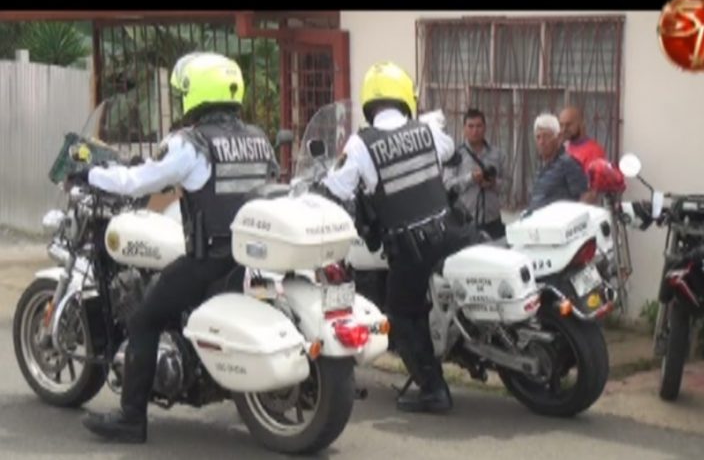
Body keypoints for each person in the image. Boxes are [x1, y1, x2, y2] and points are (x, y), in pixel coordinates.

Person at [71, 52, 280, 443]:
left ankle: (132, 418)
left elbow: (138, 183)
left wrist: (93, 173)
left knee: (143, 319)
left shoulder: (192, 144)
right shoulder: (257, 139)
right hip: (252, 259)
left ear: (193, 94)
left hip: (211, 261)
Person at [318, 61, 472, 414]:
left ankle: (434, 389)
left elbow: (337, 186)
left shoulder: (361, 144)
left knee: (401, 315)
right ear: (405, 98)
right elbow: (448, 151)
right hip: (449, 231)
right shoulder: (426, 130)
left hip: (411, 247)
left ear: (370, 104)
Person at [443, 108, 507, 239]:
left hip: (493, 221)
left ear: (485, 128)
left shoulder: (497, 154)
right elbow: (447, 185)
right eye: (470, 126)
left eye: (479, 126)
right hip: (466, 221)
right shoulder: (455, 156)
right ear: (464, 129)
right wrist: (470, 178)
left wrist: (493, 183)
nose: (475, 131)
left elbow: (508, 185)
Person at [527, 113, 589, 211]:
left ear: (559, 137)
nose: (541, 142)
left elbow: (584, 197)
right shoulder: (541, 167)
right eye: (538, 137)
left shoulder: (568, 164)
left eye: (546, 136)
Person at [559, 106, 607, 203]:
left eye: (568, 125)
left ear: (581, 124)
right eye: (561, 125)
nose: (563, 129)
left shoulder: (594, 151)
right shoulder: (563, 148)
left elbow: (592, 193)